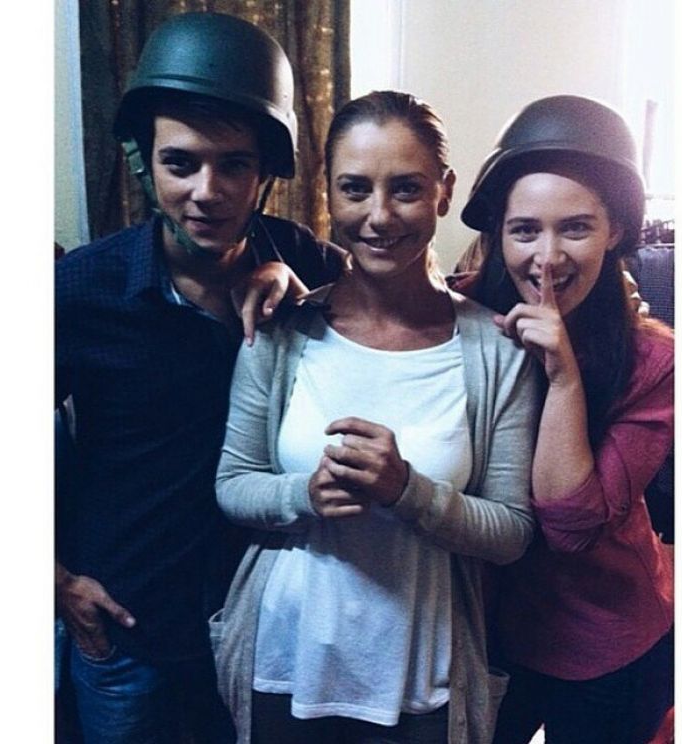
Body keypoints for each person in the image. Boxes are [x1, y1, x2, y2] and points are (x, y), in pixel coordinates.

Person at [211, 90, 540, 744]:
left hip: (422, 685)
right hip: (283, 667)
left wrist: (407, 491)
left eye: (407, 188)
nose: (379, 215)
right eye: (355, 189)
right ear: (329, 193)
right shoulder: (280, 330)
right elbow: (233, 484)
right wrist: (303, 494)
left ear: (445, 192)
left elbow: (511, 531)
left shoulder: (496, 351)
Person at [55, 12, 344, 743]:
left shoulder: (305, 258)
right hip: (126, 624)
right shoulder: (81, 289)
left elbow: (408, 310)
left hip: (263, 623)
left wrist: (305, 292)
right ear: (144, 164)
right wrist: (56, 582)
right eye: (181, 163)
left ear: (266, 172)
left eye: (233, 165)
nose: (207, 191)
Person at [459, 95, 674, 744]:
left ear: (615, 230)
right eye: (525, 230)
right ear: (498, 234)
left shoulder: (655, 361)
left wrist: (562, 376)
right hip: (490, 630)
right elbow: (371, 308)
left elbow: (573, 525)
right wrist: (279, 281)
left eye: (575, 228)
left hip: (608, 638)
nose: (547, 256)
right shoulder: (461, 317)